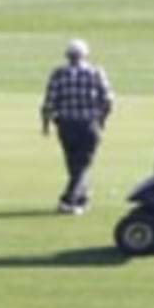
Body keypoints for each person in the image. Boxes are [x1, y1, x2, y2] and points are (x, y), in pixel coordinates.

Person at [40, 39, 115, 214]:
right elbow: (108, 100)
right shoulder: (96, 72)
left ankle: (81, 199)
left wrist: (45, 125)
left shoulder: (58, 73)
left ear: (67, 56)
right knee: (83, 164)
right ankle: (69, 199)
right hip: (89, 124)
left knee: (74, 162)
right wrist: (103, 120)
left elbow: (49, 103)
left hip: (66, 125)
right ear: (85, 55)